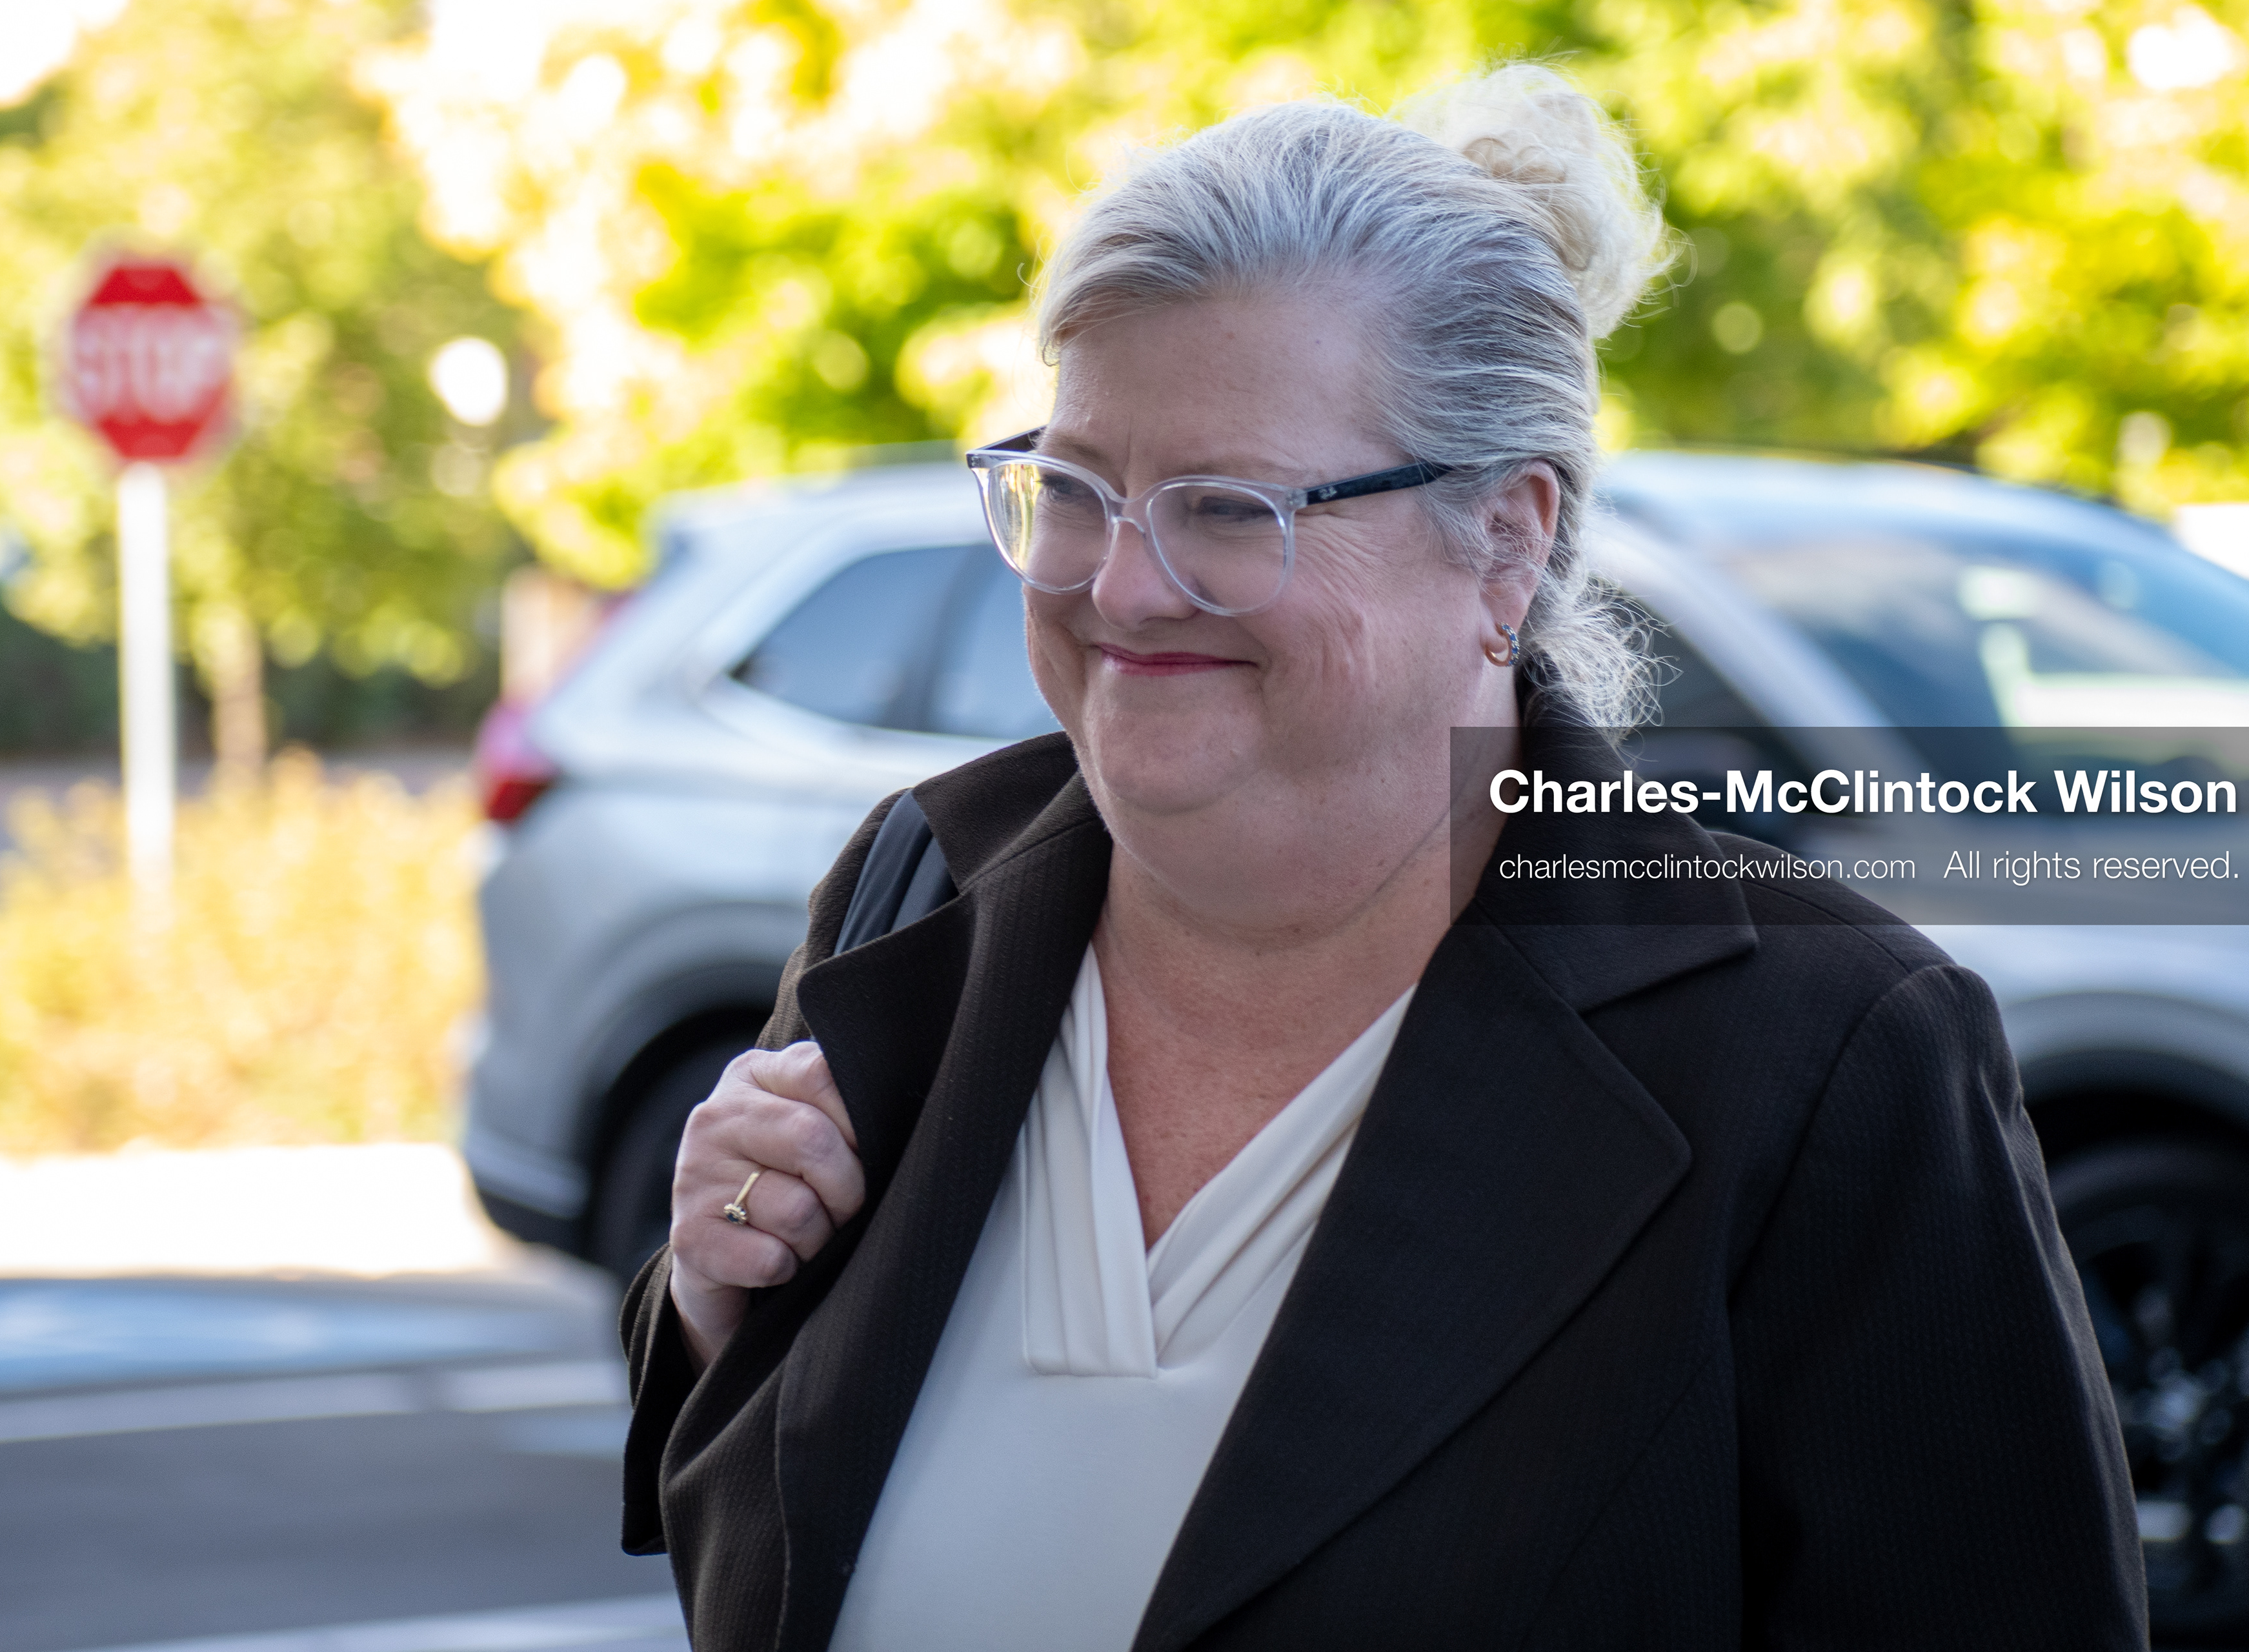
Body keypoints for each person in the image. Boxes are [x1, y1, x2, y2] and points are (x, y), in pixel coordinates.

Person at [620, 65, 2146, 1651]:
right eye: (1074, 490)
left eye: (1228, 510)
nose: (1124, 588)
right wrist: (716, 1296)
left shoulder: (1820, 1057)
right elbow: (766, 1527)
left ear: (1508, 542)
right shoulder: (923, 886)